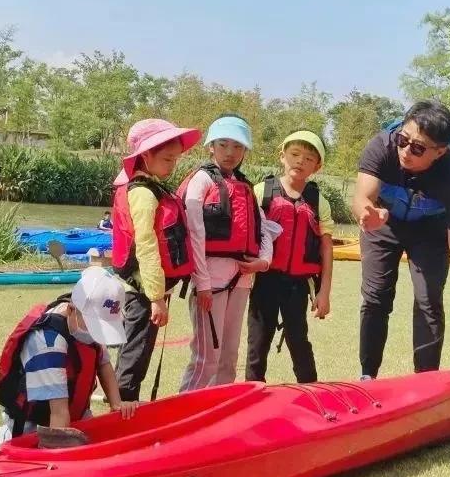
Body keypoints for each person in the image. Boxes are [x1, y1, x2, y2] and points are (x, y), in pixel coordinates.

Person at [353, 101, 450, 377]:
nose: (405, 151)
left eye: (418, 148)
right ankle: (368, 375)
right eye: (403, 139)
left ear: (440, 152)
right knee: (376, 296)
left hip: (430, 230)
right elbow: (362, 197)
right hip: (384, 222)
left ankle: (426, 378)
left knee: (428, 299)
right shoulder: (382, 146)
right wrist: (367, 214)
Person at [176, 115, 274, 391]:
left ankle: (220, 410)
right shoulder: (201, 180)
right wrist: (203, 283)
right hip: (210, 278)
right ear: (211, 146)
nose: (230, 152)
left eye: (238, 146)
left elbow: (264, 228)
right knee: (207, 357)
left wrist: (263, 262)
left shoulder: (244, 186)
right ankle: (187, 411)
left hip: (242, 278)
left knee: (230, 356)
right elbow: (194, 231)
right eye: (223, 144)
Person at [110, 118, 200, 402]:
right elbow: (146, 246)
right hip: (141, 293)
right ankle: (122, 416)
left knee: (136, 356)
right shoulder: (143, 194)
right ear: (145, 156)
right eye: (166, 159)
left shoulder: (150, 187)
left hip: (145, 291)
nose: (171, 165)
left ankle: (126, 410)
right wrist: (156, 296)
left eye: (175, 159)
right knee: (133, 359)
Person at [0, 267, 137, 445]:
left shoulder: (83, 325)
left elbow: (102, 362)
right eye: (95, 326)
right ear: (71, 309)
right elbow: (59, 415)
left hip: (74, 419)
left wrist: (116, 403)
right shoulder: (48, 343)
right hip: (33, 430)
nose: (97, 335)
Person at [245, 130, 334, 384]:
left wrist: (324, 291)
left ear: (316, 167)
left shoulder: (319, 201)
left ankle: (312, 394)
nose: (300, 161)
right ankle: (252, 395)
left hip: (298, 285)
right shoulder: (262, 191)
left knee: (299, 342)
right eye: (295, 154)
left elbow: (326, 248)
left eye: (308, 159)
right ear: (282, 156)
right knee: (258, 343)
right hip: (264, 281)